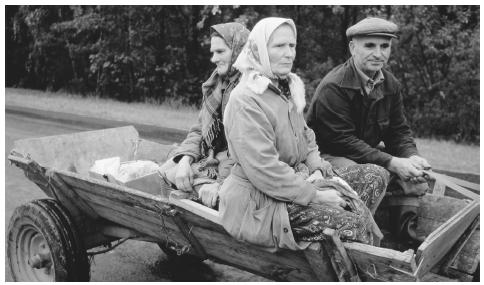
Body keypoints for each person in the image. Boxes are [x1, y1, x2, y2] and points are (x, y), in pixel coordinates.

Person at [219, 17, 389, 251]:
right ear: (258, 50)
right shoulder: (246, 99)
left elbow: (307, 136)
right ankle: (330, 260)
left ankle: (334, 247)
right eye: (279, 46)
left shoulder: (285, 87)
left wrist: (317, 167)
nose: (289, 53)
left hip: (298, 179)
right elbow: (264, 169)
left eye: (292, 46)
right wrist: (316, 196)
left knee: (375, 175)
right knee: (355, 223)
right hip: (260, 200)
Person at [306, 17, 431, 241]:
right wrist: (391, 162)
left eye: (385, 46)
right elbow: (343, 141)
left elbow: (398, 131)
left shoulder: (390, 84)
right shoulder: (333, 87)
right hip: (327, 157)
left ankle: (402, 242)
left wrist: (411, 157)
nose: (378, 53)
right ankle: (357, 241)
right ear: (353, 48)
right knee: (369, 176)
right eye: (370, 45)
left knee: (413, 177)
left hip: (365, 152)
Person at [159, 22, 250, 208]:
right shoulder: (217, 83)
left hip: (235, 169)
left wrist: (220, 185)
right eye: (213, 52)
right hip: (212, 157)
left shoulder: (249, 90)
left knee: (181, 180)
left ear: (239, 50)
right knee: (166, 170)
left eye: (220, 52)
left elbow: (246, 150)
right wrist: (185, 159)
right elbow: (200, 129)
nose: (214, 59)